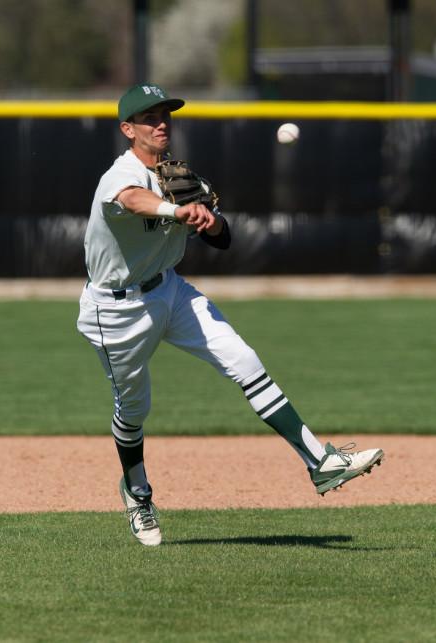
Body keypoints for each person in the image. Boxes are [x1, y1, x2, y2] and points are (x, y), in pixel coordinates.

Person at [76, 83, 384, 546]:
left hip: (171, 291)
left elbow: (222, 238)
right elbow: (131, 202)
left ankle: (319, 462)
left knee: (244, 360)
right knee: (134, 409)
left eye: (166, 115)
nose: (161, 123)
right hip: (115, 309)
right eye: (149, 117)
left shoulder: (180, 177)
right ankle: (137, 493)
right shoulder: (120, 176)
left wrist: (208, 219)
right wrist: (175, 212)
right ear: (128, 129)